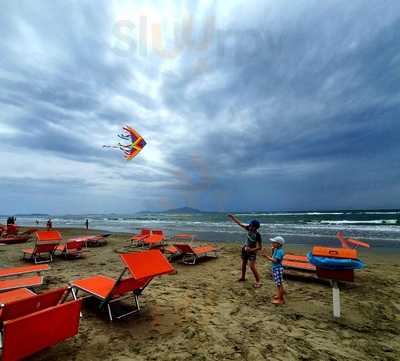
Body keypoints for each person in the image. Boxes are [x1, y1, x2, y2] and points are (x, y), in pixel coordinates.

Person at [228, 214, 262, 288]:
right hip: (245, 249)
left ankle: (258, 281)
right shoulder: (248, 228)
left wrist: (251, 249)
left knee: (252, 266)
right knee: (243, 264)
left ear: (255, 227)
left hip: (252, 252)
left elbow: (260, 247)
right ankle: (243, 277)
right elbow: (240, 224)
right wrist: (233, 217)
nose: (250, 226)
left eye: (251, 226)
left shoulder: (258, 235)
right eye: (250, 225)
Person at [265, 236, 286, 305]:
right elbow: (273, 256)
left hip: (278, 268)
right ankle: (279, 295)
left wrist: (267, 257)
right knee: (278, 284)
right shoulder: (277, 249)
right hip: (275, 268)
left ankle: (281, 300)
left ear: (279, 244)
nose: (272, 243)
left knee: (279, 284)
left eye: (274, 243)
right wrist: (273, 250)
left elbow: (275, 260)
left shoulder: (280, 251)